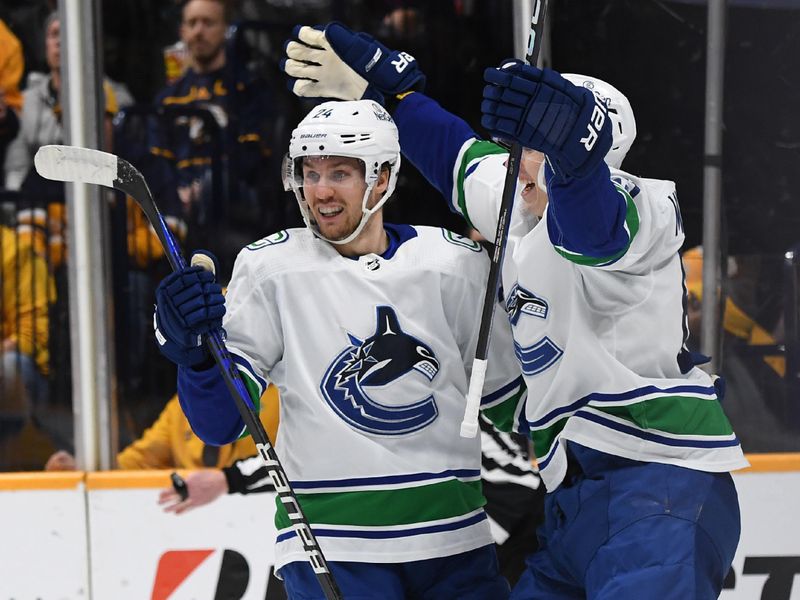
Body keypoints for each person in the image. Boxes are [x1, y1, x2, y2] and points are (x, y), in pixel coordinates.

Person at [281, 23, 749, 599]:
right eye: (520, 146)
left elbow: (595, 228)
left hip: (657, 486)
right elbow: (453, 154)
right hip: (572, 502)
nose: (514, 161)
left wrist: (573, 156)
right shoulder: (520, 196)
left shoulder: (640, 203)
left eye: (537, 145)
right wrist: (391, 98)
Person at [153, 98, 526, 599]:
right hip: (335, 549)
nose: (320, 191)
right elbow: (221, 423)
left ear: (383, 177)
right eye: (309, 173)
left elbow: (514, 406)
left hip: (455, 546)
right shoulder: (270, 271)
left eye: (340, 173)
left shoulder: (455, 264)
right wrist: (194, 353)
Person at [146, 0, 279, 276]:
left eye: (208, 23)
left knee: (211, 190)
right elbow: (157, 160)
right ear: (182, 31)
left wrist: (205, 184)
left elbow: (253, 156)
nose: (199, 31)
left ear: (226, 29)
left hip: (236, 198)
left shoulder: (248, 88)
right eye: (192, 23)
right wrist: (177, 195)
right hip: (180, 202)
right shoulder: (168, 97)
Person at [44, 384, 279, 472]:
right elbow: (143, 458)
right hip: (195, 518)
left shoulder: (283, 397)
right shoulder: (184, 404)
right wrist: (84, 469)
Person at [0, 222, 56, 467]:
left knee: (10, 365)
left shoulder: (14, 250)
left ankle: (13, 456)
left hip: (19, 374)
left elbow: (32, 333)